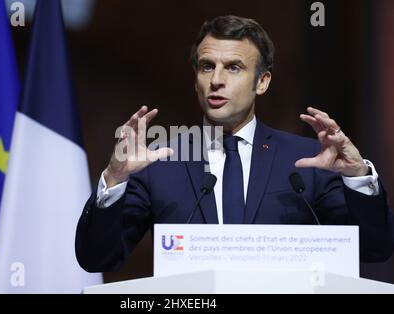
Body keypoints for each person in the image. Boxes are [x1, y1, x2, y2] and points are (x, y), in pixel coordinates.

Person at [75, 15, 394, 272]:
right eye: (206, 66)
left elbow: (374, 249)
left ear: (262, 81)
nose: (216, 79)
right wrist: (114, 180)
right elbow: (97, 259)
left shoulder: (306, 161)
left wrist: (357, 177)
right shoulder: (161, 162)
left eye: (234, 68)